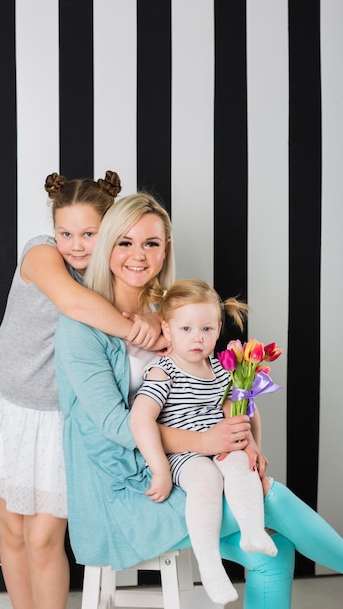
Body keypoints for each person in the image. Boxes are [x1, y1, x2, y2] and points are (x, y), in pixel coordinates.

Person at [55, 191, 343, 609]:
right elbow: (117, 428)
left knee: (274, 556)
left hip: (192, 470)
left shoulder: (173, 312)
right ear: (107, 245)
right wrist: (207, 442)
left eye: (150, 243)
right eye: (124, 242)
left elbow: (214, 385)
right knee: (270, 497)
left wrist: (244, 440)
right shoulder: (80, 327)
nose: (138, 255)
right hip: (126, 486)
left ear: (165, 248)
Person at [0, 172, 163, 609]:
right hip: (6, 405)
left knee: (45, 537)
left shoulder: (119, 271)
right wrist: (139, 332)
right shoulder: (41, 254)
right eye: (66, 232)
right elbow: (73, 304)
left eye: (90, 233)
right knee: (11, 530)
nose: (77, 245)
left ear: (110, 230)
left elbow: (160, 308)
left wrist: (154, 322)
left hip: (57, 417)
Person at [131, 279, 278, 604]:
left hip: (219, 441)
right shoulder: (163, 371)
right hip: (185, 452)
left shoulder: (220, 368)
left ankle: (252, 530)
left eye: (206, 329)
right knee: (205, 479)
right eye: (185, 329)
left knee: (240, 463)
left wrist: (251, 443)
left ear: (218, 328)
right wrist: (160, 470)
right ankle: (210, 565)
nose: (197, 338)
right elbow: (141, 419)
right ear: (167, 331)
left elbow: (236, 406)